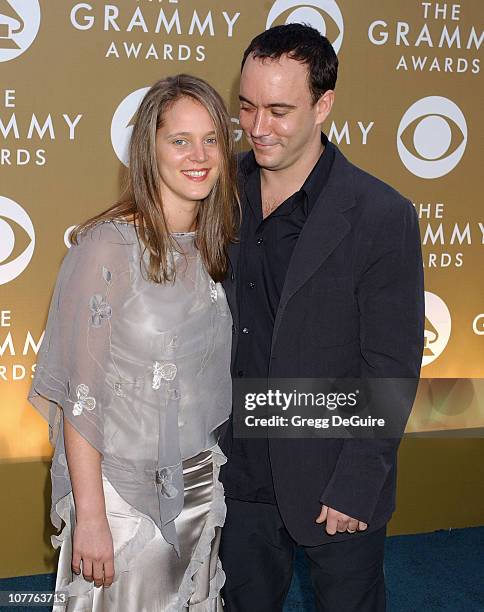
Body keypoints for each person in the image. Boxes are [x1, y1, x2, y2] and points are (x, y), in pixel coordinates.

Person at [219, 24, 425, 611]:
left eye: (280, 110)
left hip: (334, 472)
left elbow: (390, 363)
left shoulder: (382, 214)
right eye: (248, 106)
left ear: (324, 105)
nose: (258, 127)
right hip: (237, 473)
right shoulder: (217, 190)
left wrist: (359, 482)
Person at [29, 74, 238, 611]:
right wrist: (92, 517)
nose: (199, 155)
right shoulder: (107, 250)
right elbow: (81, 396)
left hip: (198, 486)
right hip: (122, 500)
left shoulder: (211, 249)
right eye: (180, 140)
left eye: (212, 138)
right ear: (150, 149)